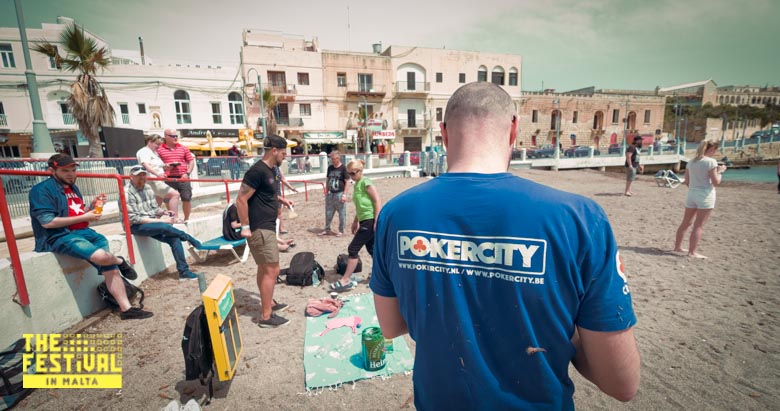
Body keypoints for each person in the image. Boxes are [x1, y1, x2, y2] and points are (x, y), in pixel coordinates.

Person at [370, 82, 640, 409]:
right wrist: (564, 338)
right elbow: (621, 381)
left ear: (443, 133)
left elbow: (391, 325)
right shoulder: (579, 219)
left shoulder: (395, 215)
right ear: (514, 129)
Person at [29, 154, 153, 320]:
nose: (71, 174)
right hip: (61, 235)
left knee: (109, 267)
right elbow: (48, 222)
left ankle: (126, 309)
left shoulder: (72, 187)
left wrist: (90, 208)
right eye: (65, 170)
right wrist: (85, 217)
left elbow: (76, 213)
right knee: (104, 257)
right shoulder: (41, 190)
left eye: (73, 170)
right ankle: (120, 261)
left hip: (84, 232)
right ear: (52, 170)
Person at [236, 135, 295, 328]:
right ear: (274, 151)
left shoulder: (271, 170)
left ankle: (268, 303)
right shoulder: (257, 171)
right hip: (259, 228)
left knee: (264, 268)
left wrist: (280, 199)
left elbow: (265, 193)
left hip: (267, 226)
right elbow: (241, 199)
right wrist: (245, 226)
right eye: (284, 153)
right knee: (272, 270)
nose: (285, 157)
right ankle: (266, 317)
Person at [125, 165, 203, 280]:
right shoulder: (127, 192)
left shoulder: (147, 188)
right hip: (135, 226)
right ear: (131, 177)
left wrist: (164, 212)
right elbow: (134, 218)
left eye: (143, 174)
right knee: (163, 226)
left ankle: (184, 272)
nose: (142, 177)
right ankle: (188, 238)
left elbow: (154, 208)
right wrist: (159, 221)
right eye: (138, 175)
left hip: (151, 223)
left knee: (175, 239)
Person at [330, 159, 381, 292]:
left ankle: (345, 280)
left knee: (353, 249)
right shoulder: (357, 184)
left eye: (352, 174)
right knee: (373, 250)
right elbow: (361, 206)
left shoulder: (366, 183)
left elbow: (377, 201)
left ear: (360, 171)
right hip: (364, 220)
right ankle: (380, 276)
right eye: (349, 174)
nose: (350, 177)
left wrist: (376, 220)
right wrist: (355, 221)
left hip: (370, 220)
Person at [673, 140, 727, 259]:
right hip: (705, 195)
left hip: (692, 193)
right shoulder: (711, 162)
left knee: (686, 222)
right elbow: (716, 181)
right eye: (715, 150)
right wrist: (721, 172)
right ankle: (692, 252)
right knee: (699, 225)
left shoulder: (691, 162)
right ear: (712, 149)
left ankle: (677, 247)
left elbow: (687, 181)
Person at [136, 134, 181, 217]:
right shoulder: (144, 151)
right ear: (150, 142)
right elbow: (146, 165)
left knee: (157, 204)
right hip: (153, 180)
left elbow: (157, 166)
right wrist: (158, 174)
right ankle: (174, 218)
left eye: (159, 144)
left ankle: (154, 221)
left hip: (157, 179)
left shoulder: (154, 153)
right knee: (175, 194)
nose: (158, 146)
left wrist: (166, 166)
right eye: (157, 144)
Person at [223, 202, 295, 251]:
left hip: (231, 233)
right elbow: (234, 225)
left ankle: (282, 242)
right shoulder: (234, 209)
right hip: (231, 235)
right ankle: (279, 246)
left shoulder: (235, 206)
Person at [157, 129, 195, 221]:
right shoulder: (159, 149)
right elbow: (156, 163)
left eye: (176, 136)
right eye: (173, 136)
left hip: (183, 177)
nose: (175, 138)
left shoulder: (183, 148)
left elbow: (191, 161)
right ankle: (173, 218)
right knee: (168, 199)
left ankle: (186, 219)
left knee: (186, 198)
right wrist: (165, 167)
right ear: (166, 136)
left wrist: (187, 173)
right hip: (168, 178)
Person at [318, 150, 349, 236]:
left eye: (334, 159)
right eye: (331, 159)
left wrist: (344, 195)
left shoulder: (343, 168)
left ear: (338, 158)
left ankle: (341, 230)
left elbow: (347, 182)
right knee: (328, 213)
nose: (332, 160)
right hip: (330, 194)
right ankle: (327, 229)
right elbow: (327, 180)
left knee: (342, 213)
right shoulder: (330, 168)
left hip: (340, 193)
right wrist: (326, 191)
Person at [273, 165, 298, 234]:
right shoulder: (267, 168)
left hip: (277, 192)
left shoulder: (278, 168)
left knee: (279, 210)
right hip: (270, 192)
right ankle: (277, 228)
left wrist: (291, 188)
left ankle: (281, 228)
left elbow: (283, 179)